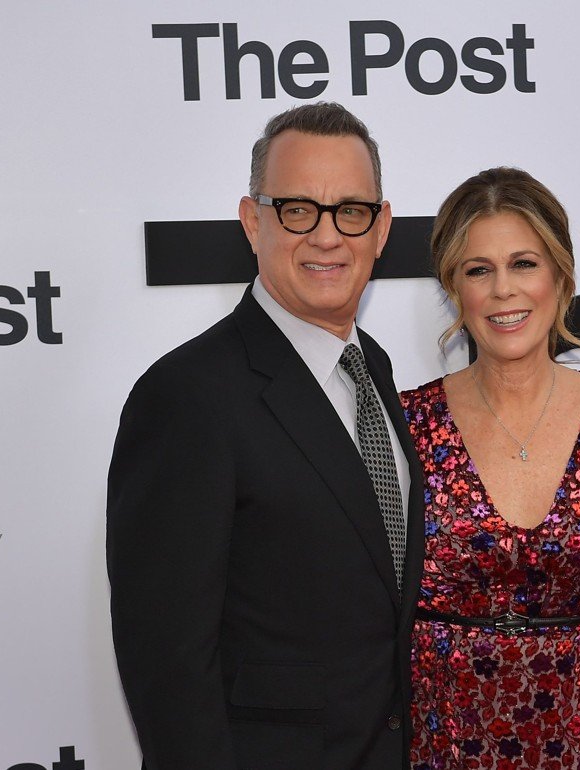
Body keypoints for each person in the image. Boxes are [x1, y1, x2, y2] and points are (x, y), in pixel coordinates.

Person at [107, 102, 422, 770]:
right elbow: (167, 665)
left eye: (351, 211)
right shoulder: (187, 396)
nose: (328, 237)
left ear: (381, 227)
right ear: (254, 222)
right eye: (298, 209)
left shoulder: (377, 372)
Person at [400, 167, 580, 770]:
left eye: (524, 263)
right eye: (479, 270)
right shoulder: (408, 426)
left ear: (560, 277)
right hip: (445, 751)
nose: (504, 289)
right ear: (456, 290)